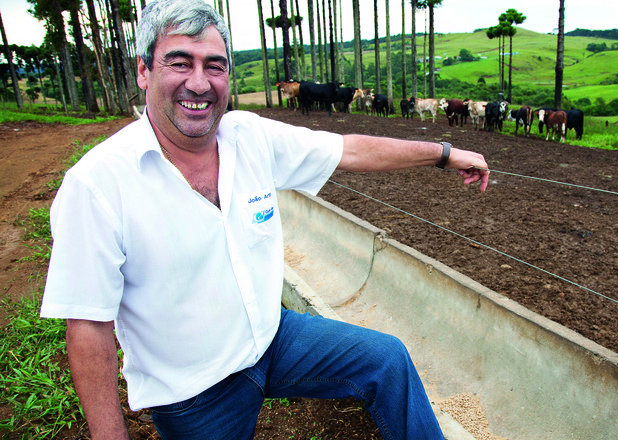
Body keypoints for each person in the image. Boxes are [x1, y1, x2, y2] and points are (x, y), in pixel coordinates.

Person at [39, 0, 490, 439]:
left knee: (386, 360)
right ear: (144, 70)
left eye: (214, 66)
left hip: (274, 341)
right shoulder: (97, 184)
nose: (199, 83)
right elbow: (87, 326)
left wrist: (445, 153)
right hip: (197, 394)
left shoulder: (248, 137)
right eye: (180, 62)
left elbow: (348, 149)